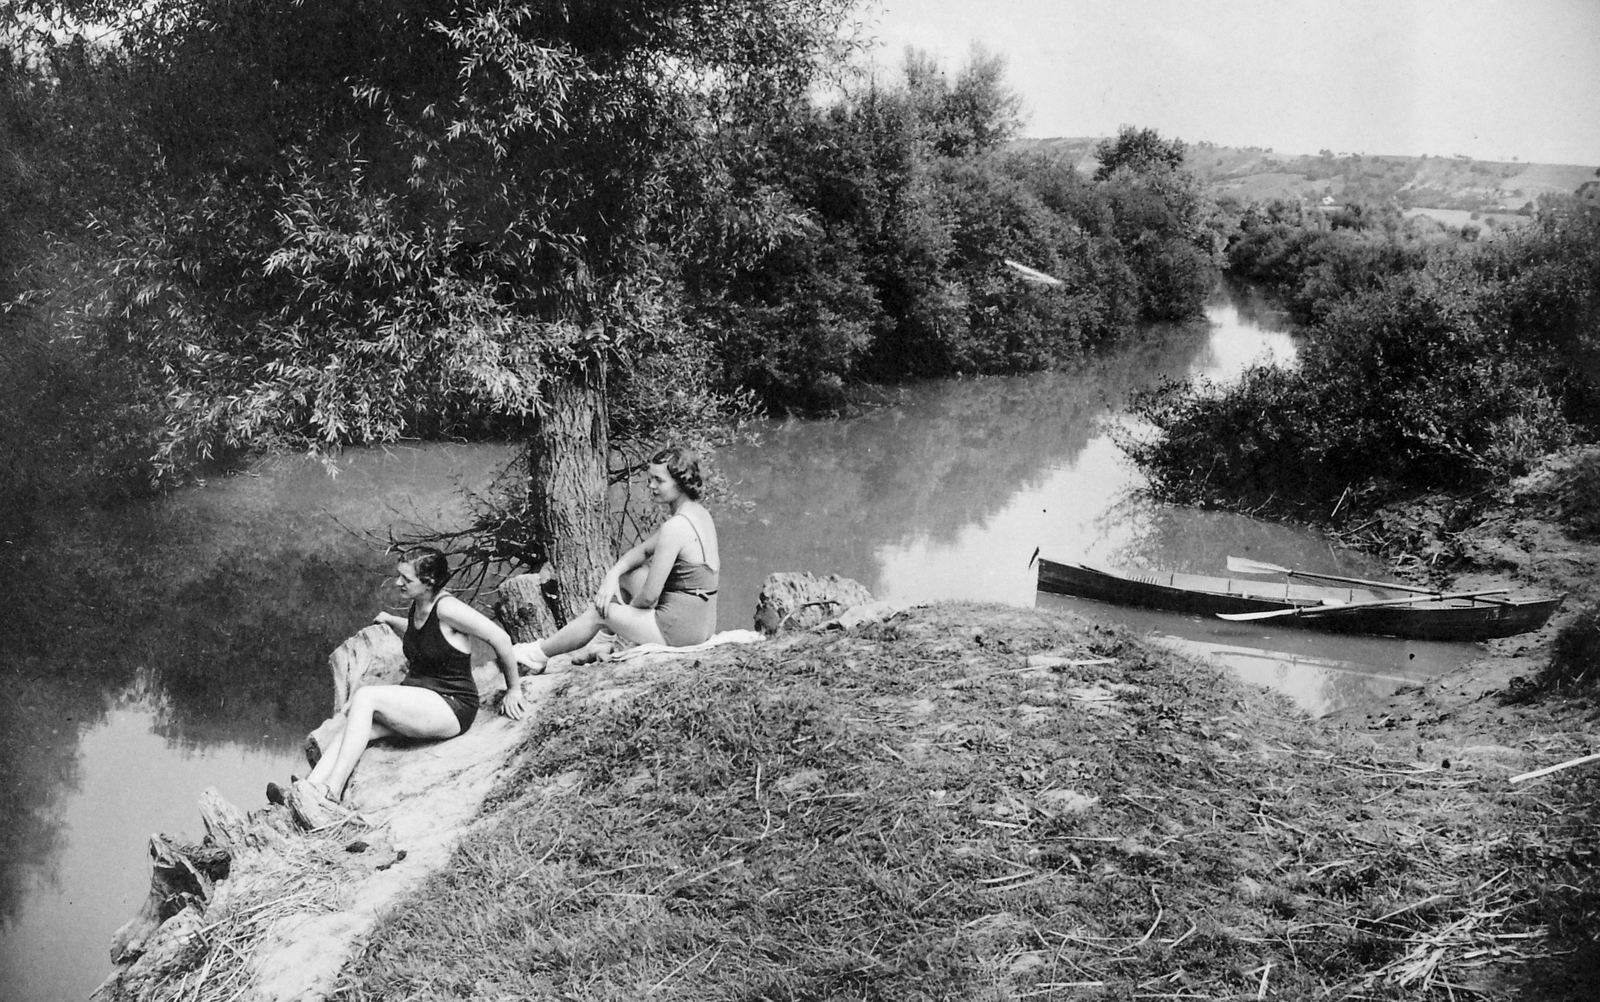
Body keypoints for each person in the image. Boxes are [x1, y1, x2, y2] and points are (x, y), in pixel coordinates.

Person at [274, 548, 528, 819]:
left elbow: (499, 638)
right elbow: (424, 634)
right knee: (358, 726)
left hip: (451, 705)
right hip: (424, 699)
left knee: (366, 696)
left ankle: (331, 792)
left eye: (406, 579)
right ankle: (309, 788)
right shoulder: (420, 604)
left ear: (429, 581)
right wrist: (390, 620)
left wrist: (513, 688)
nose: (398, 583)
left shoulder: (449, 608)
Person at [521, 444, 720, 668]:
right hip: (702, 623)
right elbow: (643, 551)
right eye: (650, 479)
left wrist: (619, 616)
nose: (651, 486)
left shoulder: (675, 528)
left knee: (598, 612)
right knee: (630, 574)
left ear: (681, 483)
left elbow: (649, 597)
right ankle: (602, 641)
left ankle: (537, 656)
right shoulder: (698, 514)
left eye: (659, 481)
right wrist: (612, 575)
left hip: (679, 631)